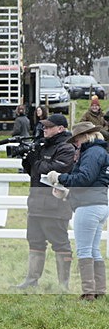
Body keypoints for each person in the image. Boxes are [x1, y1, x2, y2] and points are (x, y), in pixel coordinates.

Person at [46, 122, 109, 300]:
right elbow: (92, 181)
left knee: (84, 250)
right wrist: (67, 194)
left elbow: (84, 178)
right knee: (94, 249)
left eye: (77, 139)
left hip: (88, 206)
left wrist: (60, 177)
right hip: (98, 203)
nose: (76, 144)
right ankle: (99, 290)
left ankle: (88, 292)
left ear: (85, 136)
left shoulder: (92, 153)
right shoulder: (99, 152)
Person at [16, 113, 75, 290]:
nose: (45, 129)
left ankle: (63, 284)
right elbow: (35, 172)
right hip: (35, 203)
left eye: (49, 127)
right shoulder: (44, 145)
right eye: (44, 126)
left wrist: (36, 161)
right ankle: (31, 280)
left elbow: (53, 171)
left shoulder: (67, 148)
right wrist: (27, 159)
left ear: (60, 128)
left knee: (60, 243)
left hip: (55, 205)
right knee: (35, 241)